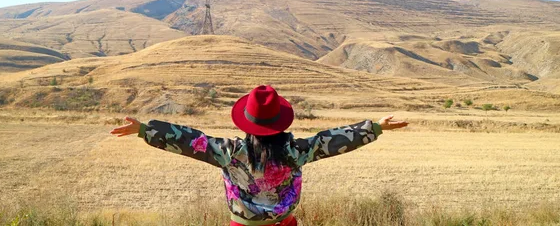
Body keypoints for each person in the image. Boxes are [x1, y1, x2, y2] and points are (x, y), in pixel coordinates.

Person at [111, 85, 408, 226]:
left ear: (247, 122)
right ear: (282, 121)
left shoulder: (229, 153)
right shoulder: (296, 152)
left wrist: (144, 130)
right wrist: (375, 128)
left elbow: (189, 140)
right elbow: (331, 139)